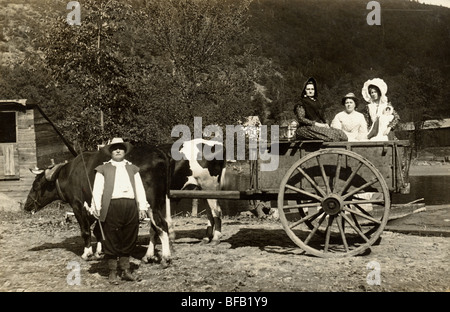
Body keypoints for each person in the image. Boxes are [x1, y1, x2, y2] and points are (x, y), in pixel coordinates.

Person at [89, 137, 148, 284]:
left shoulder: (132, 168)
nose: (117, 150)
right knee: (111, 239)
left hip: (130, 206)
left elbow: (140, 189)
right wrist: (95, 207)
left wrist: (142, 207)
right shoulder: (103, 169)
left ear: (125, 151)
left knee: (129, 238)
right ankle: (113, 272)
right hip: (111, 206)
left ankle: (126, 271)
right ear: (110, 151)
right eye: (114, 148)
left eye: (120, 148)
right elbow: (97, 190)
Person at [294, 77, 348, 142]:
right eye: (308, 89)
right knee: (332, 136)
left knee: (342, 135)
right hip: (305, 129)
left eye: (312, 89)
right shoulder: (301, 103)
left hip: (317, 127)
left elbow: (322, 115)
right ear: (304, 90)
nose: (310, 91)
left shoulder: (317, 102)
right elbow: (301, 118)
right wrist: (317, 124)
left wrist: (326, 123)